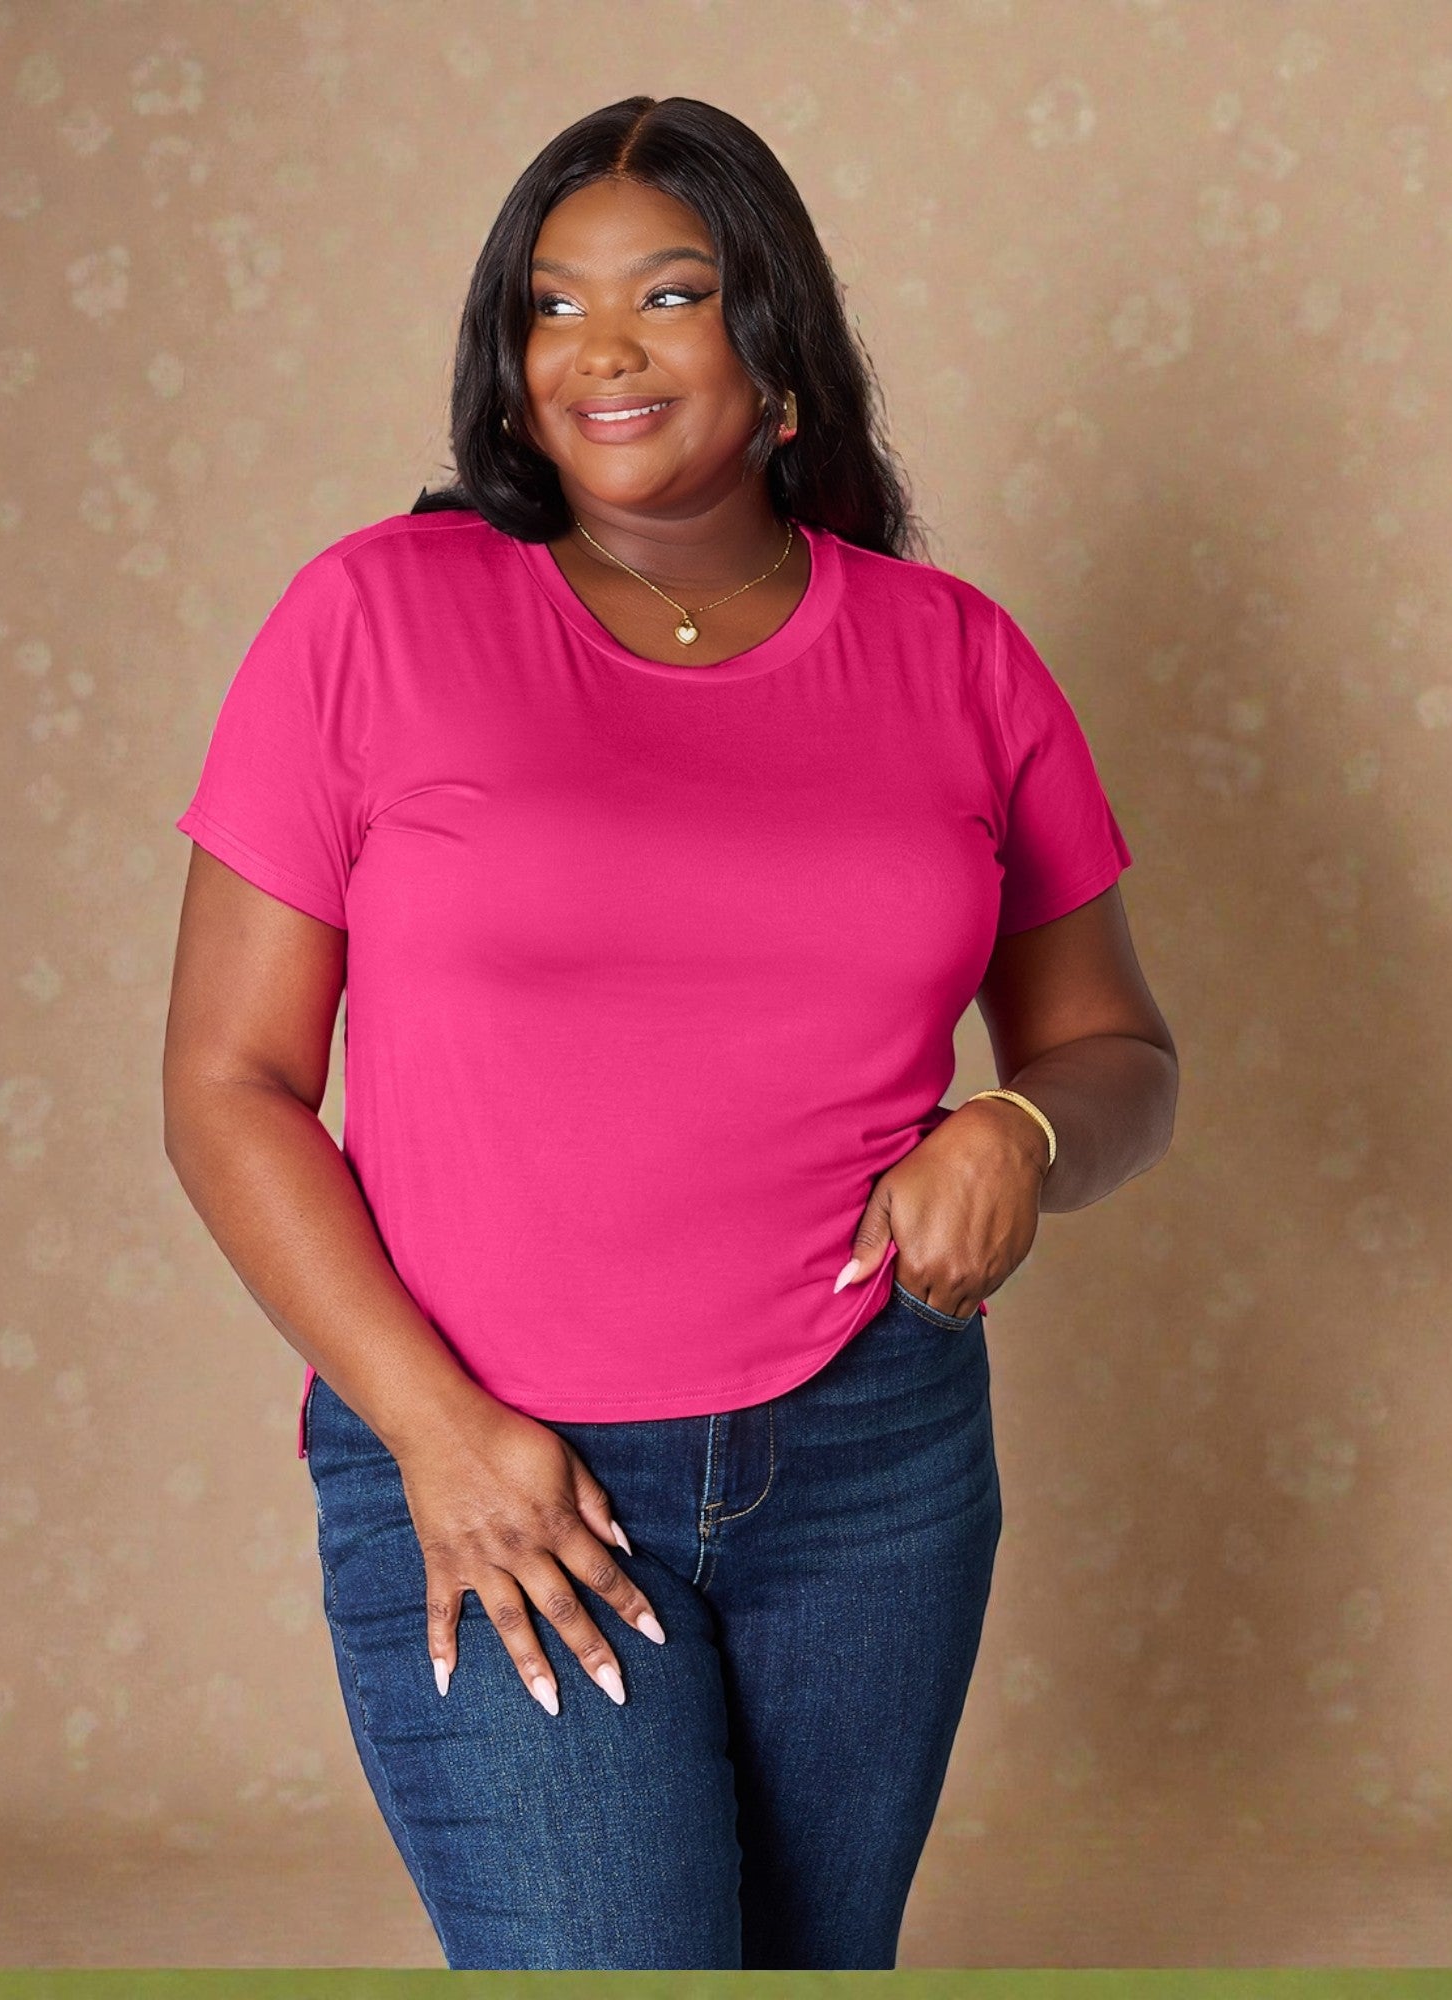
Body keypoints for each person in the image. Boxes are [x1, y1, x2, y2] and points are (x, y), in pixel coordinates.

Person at [163, 95, 1178, 1971]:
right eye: (552, 307)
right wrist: (438, 1435)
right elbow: (228, 1089)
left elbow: (1118, 1053)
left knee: (808, 1969)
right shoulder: (376, 617)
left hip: (871, 1462)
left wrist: (1017, 1137)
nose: (602, 348)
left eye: (671, 292)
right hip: (493, 1460)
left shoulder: (955, 656)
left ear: (778, 348)